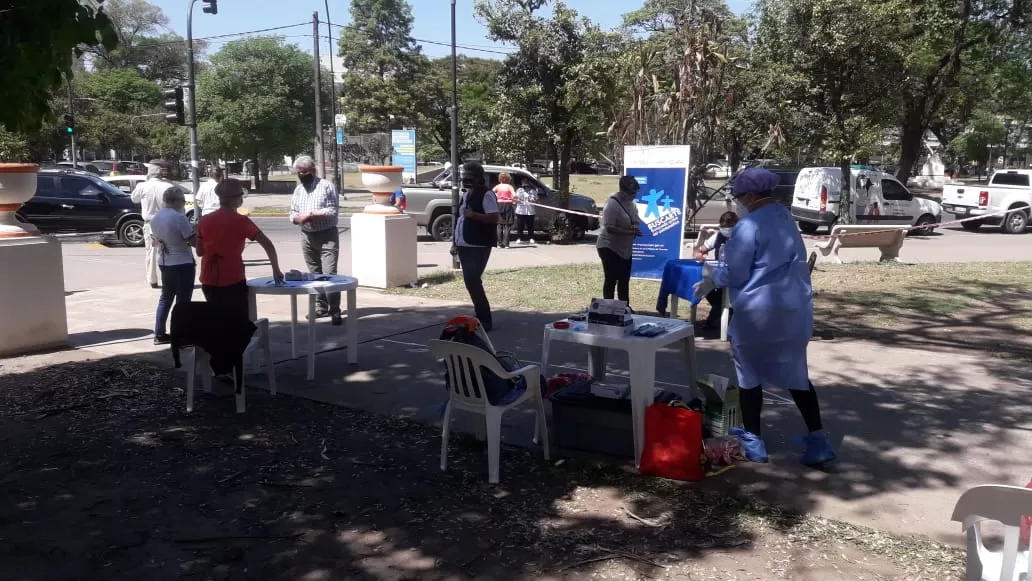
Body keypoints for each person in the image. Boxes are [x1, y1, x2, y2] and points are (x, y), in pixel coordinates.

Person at [693, 168, 836, 467]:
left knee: (749, 375)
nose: (738, 202)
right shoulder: (786, 219)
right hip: (793, 310)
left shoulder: (749, 226)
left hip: (758, 312)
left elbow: (736, 272)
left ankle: (754, 440)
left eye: (738, 196)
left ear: (750, 195)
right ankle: (819, 439)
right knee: (797, 375)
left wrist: (710, 276)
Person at [197, 179, 283, 321]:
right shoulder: (241, 221)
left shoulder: (204, 220)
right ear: (236, 199)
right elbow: (267, 244)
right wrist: (275, 268)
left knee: (217, 322)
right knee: (238, 324)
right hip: (233, 279)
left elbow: (200, 252)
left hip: (209, 278)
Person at [288, 156, 342, 325]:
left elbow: (332, 210)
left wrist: (311, 215)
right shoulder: (298, 190)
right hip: (307, 236)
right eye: (298, 172)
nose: (301, 174)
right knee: (315, 274)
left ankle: (335, 309)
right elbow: (292, 212)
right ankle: (321, 307)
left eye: (304, 172)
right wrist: (297, 219)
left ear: (312, 171)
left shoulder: (326, 186)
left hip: (327, 236)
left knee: (329, 274)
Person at [454, 161, 499, 331]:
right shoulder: (466, 194)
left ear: (479, 178)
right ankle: (480, 315)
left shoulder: (486, 194)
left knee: (472, 280)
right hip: (464, 243)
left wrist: (473, 215)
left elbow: (494, 217)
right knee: (470, 281)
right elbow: (460, 219)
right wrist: (455, 242)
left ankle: (485, 318)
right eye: (464, 177)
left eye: (469, 177)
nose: (466, 180)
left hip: (479, 244)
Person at [150, 187, 196, 345]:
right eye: (183, 201)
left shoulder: (156, 217)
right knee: (183, 301)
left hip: (165, 261)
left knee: (166, 298)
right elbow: (192, 240)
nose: (184, 204)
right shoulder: (179, 217)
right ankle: (181, 335)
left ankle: (160, 332)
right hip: (182, 261)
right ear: (177, 201)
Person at [596, 175, 642, 307]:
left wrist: (634, 228)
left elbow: (635, 220)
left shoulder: (631, 204)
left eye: (635, 192)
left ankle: (624, 308)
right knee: (611, 279)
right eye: (632, 193)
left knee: (624, 280)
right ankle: (608, 308)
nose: (634, 195)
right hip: (609, 247)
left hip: (625, 248)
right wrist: (630, 232)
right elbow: (609, 228)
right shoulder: (612, 204)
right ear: (623, 191)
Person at [693, 211, 739, 329]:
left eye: (729, 228)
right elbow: (700, 250)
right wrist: (699, 254)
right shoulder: (718, 236)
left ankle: (718, 317)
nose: (726, 231)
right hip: (719, 274)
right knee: (706, 289)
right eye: (724, 228)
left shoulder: (743, 237)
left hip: (738, 276)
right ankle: (720, 313)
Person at [131, 159, 172, 288]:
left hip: (150, 223)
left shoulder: (142, 186)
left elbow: (134, 199)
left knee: (151, 252)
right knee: (167, 251)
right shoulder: (168, 186)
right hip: (166, 223)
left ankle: (152, 279)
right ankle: (168, 278)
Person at [493, 172, 516, 248]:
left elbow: (492, 192)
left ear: (500, 178)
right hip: (508, 205)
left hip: (499, 205)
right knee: (507, 225)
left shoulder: (498, 186)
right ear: (508, 179)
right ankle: (506, 244)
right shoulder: (509, 186)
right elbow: (514, 195)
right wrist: (513, 200)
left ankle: (499, 244)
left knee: (499, 225)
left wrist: (497, 195)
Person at [514, 178, 537, 245]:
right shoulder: (519, 190)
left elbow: (536, 200)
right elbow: (516, 198)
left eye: (527, 183)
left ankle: (531, 238)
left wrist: (533, 200)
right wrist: (518, 199)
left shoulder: (533, 191)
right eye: (524, 182)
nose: (525, 185)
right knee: (520, 225)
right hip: (520, 211)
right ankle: (519, 238)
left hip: (530, 211)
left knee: (530, 225)